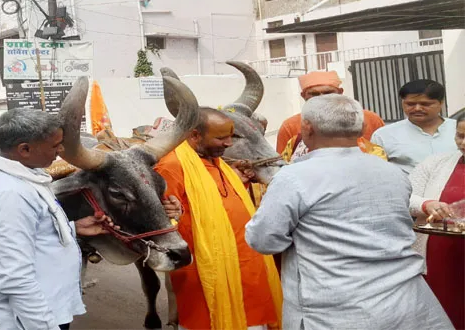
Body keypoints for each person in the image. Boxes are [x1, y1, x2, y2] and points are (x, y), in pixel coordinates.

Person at [246, 94, 453, 330]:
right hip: (405, 301)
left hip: (335, 309)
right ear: (362, 129)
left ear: (307, 128)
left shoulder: (293, 178)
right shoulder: (391, 172)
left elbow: (264, 240)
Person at [0, 109, 146, 330]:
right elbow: (15, 278)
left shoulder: (25, 175)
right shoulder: (10, 196)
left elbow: (33, 232)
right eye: (55, 145)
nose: (61, 150)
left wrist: (73, 228)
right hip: (29, 321)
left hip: (47, 308)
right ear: (25, 149)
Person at [155, 107, 282, 330]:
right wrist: (174, 214)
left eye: (230, 137)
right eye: (221, 138)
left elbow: (217, 202)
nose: (229, 144)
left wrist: (237, 181)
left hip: (248, 269)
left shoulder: (217, 161)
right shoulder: (172, 166)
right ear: (195, 135)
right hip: (208, 276)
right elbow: (164, 221)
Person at [407, 113, 465, 329]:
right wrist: (427, 204)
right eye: (460, 136)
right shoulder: (436, 163)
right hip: (440, 255)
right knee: (444, 310)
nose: (463, 143)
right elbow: (405, 195)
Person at [277, 70, 385, 161]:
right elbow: (280, 164)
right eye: (314, 94)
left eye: (328, 92)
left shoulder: (369, 118)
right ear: (303, 96)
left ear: (340, 92)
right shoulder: (290, 126)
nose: (322, 98)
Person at [372, 79, 457, 174]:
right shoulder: (383, 135)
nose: (417, 108)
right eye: (410, 104)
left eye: (425, 104)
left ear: (441, 103)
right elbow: (376, 171)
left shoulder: (458, 129)